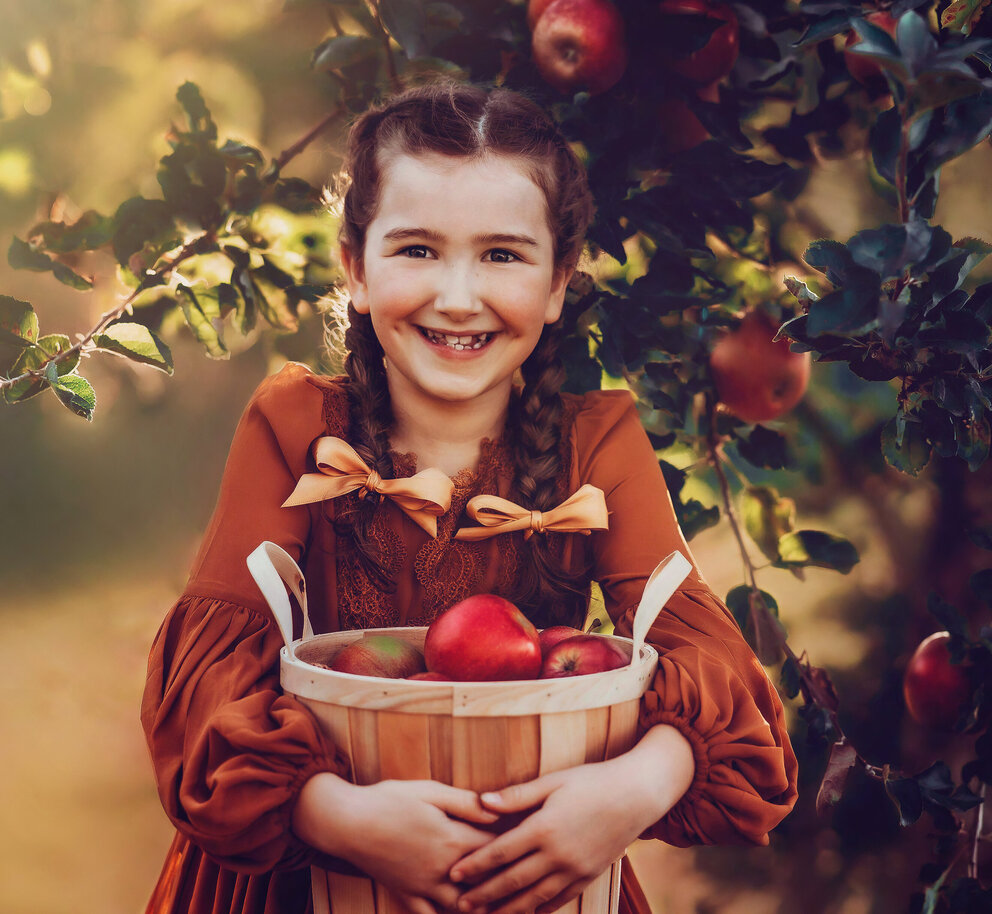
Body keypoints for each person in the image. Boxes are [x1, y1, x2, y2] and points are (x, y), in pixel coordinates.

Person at [141, 81, 798, 914]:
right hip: (299, 877)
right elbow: (206, 690)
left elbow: (717, 674)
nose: (458, 297)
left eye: (502, 254)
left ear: (559, 282)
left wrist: (626, 794)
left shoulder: (596, 448)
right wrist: (338, 815)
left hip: (529, 873)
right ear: (355, 268)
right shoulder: (299, 427)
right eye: (417, 250)